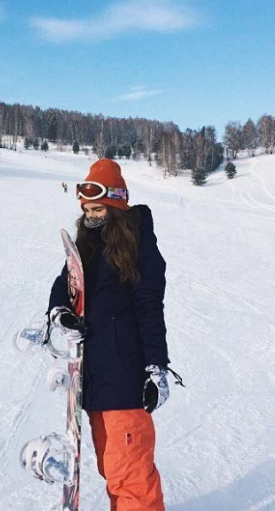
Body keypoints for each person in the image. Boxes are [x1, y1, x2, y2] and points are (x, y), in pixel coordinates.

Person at [47, 158, 182, 511]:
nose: (90, 215)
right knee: (113, 469)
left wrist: (156, 367)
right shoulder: (88, 243)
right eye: (86, 209)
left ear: (116, 205)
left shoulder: (137, 245)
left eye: (98, 208)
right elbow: (65, 284)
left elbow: (150, 308)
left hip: (124, 380)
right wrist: (60, 312)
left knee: (131, 478)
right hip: (94, 380)